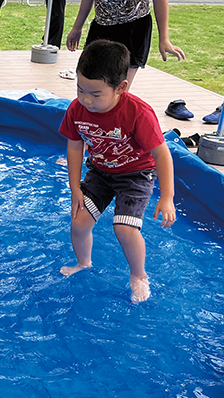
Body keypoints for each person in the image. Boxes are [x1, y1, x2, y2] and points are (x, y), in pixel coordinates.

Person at [58, 40, 175, 304]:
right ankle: (83, 263)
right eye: (80, 89)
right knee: (78, 223)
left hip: (136, 175)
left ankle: (138, 275)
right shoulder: (77, 110)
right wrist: (75, 187)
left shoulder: (138, 113)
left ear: (121, 87)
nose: (86, 99)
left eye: (96, 94)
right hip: (100, 172)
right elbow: (75, 148)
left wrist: (167, 196)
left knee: (124, 228)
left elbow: (162, 154)